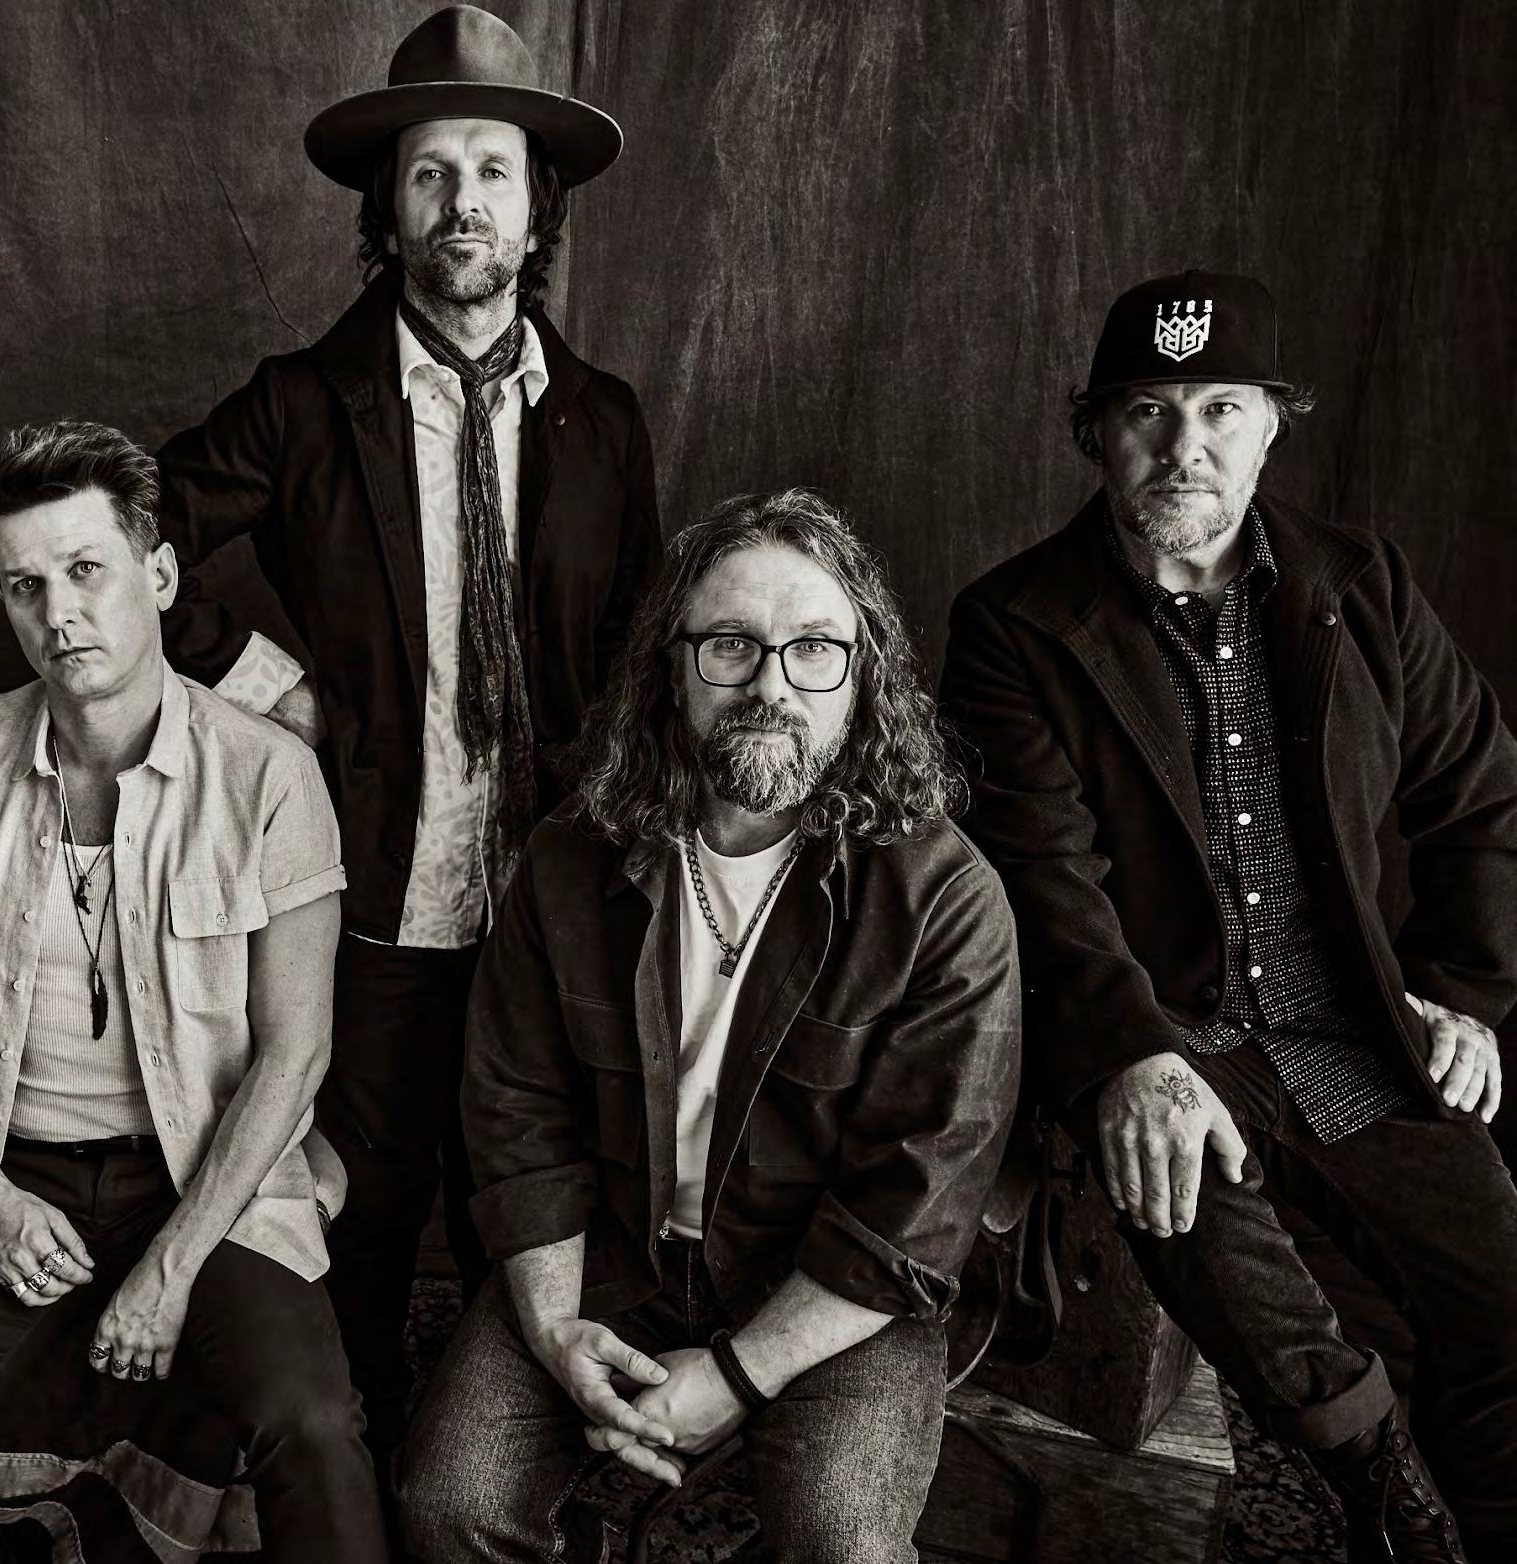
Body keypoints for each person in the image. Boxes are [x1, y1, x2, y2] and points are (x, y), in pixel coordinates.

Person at [155, 3, 660, 1482]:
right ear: (389, 207)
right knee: (365, 1210)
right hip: (377, 887)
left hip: (552, 891)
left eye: (491, 171)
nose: (461, 203)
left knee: (541, 1193)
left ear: (537, 206)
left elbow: (637, 643)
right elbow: (129, 540)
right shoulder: (305, 404)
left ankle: (514, 1471)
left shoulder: (602, 420)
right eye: (430, 173)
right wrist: (266, 681)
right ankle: (356, 1480)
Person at [943, 270, 1517, 1561]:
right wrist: (1126, 1056)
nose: (1183, 445)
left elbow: (1480, 795)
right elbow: (1038, 876)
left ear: (1270, 427)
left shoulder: (1359, 584)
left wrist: (1462, 994)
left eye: (1218, 409)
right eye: (1146, 410)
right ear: (1093, 432)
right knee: (1233, 1261)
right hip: (1169, 1038)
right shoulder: (1014, 624)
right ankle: (1384, 1498)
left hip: (1349, 1029)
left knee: (1498, 1294)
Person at [401, 491, 1020, 1562]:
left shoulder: (942, 899)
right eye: (732, 645)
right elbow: (516, 1114)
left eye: (813, 649)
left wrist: (733, 1378)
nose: (771, 685)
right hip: (608, 1259)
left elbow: (914, 1206)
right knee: (446, 1502)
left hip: (827, 1287)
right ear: (672, 669)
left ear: (862, 675)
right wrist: (555, 1332)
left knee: (840, 1542)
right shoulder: (568, 858)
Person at [0, 420, 384, 1562]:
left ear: (160, 575)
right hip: (7, 1160)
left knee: (315, 1430)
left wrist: (172, 1270)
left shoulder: (269, 773)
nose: (59, 613)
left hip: (211, 1173)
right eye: (24, 585)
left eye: (87, 570)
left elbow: (296, 1052)